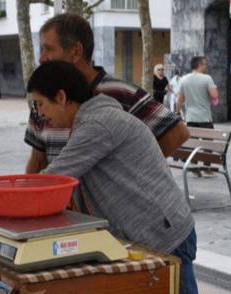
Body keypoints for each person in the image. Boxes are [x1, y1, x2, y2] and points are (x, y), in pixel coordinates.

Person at [28, 60, 202, 294]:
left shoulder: (98, 123)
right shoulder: (91, 118)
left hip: (165, 237)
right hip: (147, 235)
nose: (40, 114)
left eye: (40, 104)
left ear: (61, 97)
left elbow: (55, 179)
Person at [23, 13, 189, 174]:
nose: (42, 58)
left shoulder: (122, 93)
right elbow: (38, 160)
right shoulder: (43, 101)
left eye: (48, 49)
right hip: (60, 200)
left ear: (75, 52)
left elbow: (177, 134)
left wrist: (132, 175)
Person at [177, 56, 219, 177]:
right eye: (205, 64)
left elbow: (179, 99)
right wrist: (214, 90)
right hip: (204, 118)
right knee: (208, 144)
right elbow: (214, 95)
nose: (206, 66)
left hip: (190, 118)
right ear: (199, 64)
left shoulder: (184, 79)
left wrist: (178, 112)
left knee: (193, 143)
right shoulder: (207, 79)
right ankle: (206, 168)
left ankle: (194, 167)